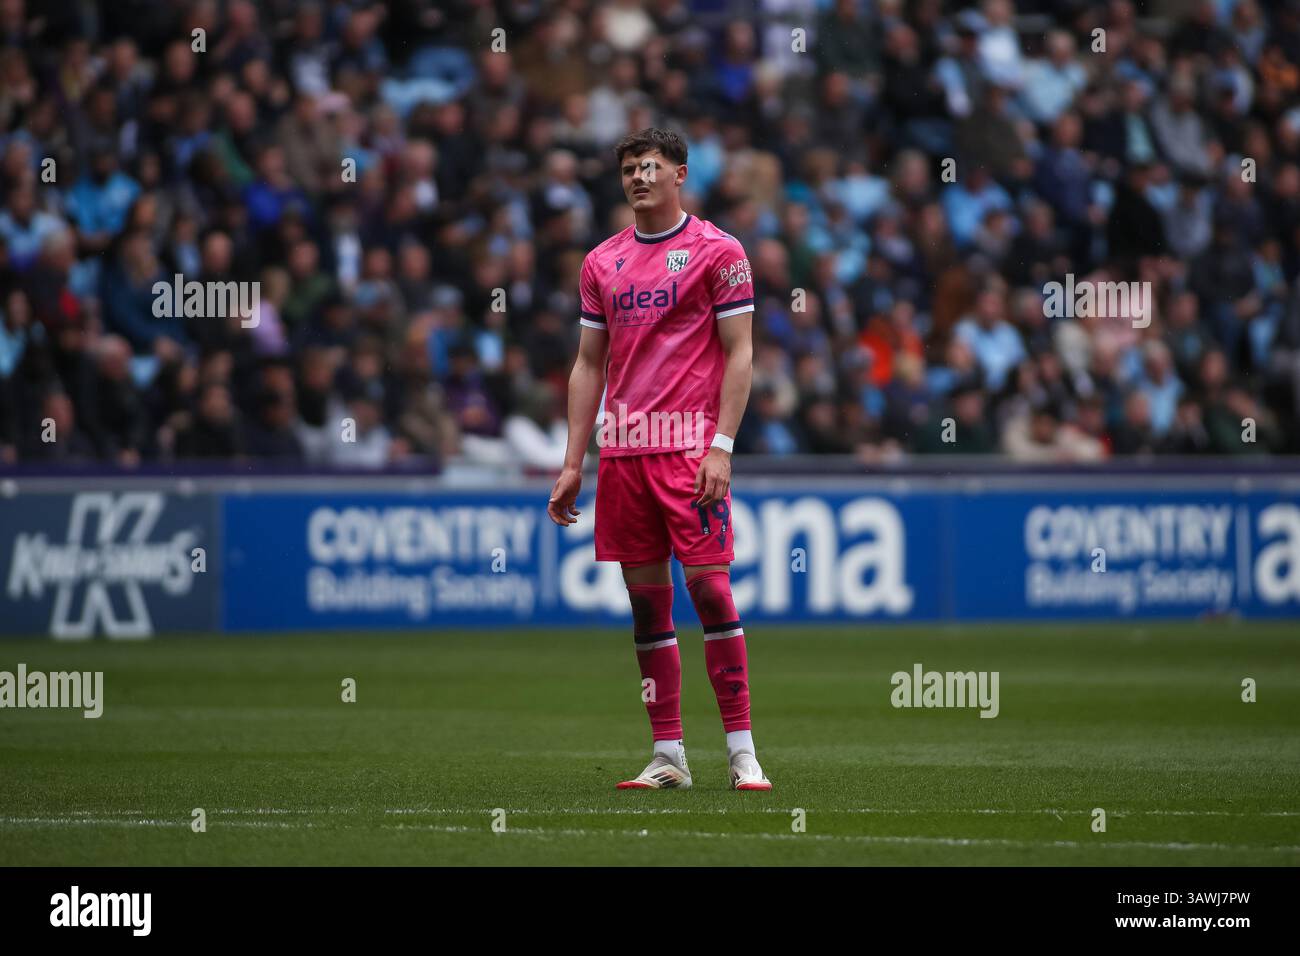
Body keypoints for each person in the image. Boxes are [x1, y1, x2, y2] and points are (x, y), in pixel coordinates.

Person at [546, 128, 769, 791]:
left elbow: (740, 354)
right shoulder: (601, 262)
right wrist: (571, 461)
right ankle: (668, 756)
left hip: (687, 451)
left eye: (651, 166)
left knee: (709, 588)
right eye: (629, 168)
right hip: (623, 455)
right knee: (648, 609)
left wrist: (722, 446)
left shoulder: (718, 252)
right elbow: (589, 366)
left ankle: (742, 752)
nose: (639, 176)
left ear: (680, 174)